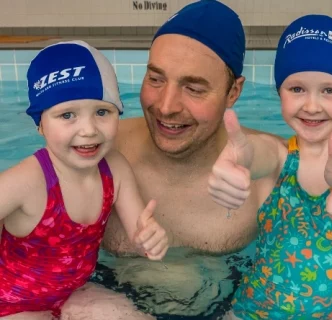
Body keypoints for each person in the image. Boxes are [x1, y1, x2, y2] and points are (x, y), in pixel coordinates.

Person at [62, 1, 269, 319]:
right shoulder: (94, 152)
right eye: (156, 79)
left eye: (194, 87)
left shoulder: (264, 169)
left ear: (233, 92)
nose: (166, 106)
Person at [0, 40, 168, 319]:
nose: (89, 129)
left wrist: (148, 239)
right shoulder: (27, 181)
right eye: (67, 115)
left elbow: (138, 231)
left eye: (102, 112)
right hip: (14, 302)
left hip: (74, 292)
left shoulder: (114, 169)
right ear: (40, 124)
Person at [208, 15, 332, 319]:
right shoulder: (279, 157)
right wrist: (239, 157)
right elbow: (257, 151)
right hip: (250, 313)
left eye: (329, 90)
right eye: (297, 89)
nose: (312, 106)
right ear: (279, 92)